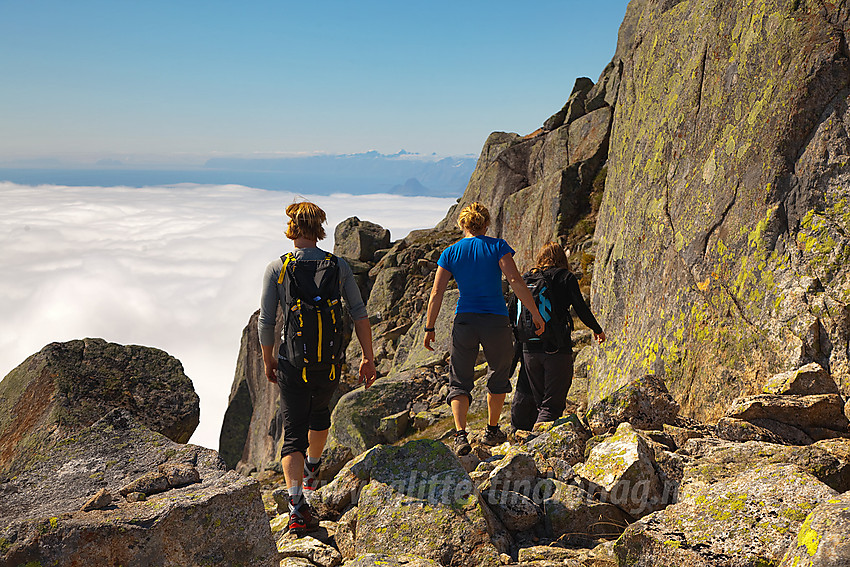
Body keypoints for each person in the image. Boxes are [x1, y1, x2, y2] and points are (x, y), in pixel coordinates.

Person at [259, 201, 376, 535]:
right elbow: (359, 313)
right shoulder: (337, 266)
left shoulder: (277, 268)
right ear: (320, 229)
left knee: (293, 432)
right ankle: (312, 471)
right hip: (328, 362)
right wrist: (368, 357)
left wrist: (268, 358)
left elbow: (267, 321)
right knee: (321, 413)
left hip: (292, 363)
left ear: (293, 229)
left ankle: (297, 507)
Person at [423, 202, 545, 456]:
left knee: (459, 379)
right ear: (486, 223)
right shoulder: (498, 247)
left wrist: (429, 326)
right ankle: (491, 430)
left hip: (465, 320)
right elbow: (514, 281)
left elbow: (436, 292)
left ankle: (460, 434)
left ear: (462, 224)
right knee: (498, 375)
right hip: (495, 320)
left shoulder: (450, 253)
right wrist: (534, 312)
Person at [511, 242, 605, 429]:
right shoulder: (565, 277)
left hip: (529, 350)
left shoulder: (527, 278)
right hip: (556, 348)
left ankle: (531, 444)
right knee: (552, 406)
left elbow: (513, 313)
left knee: (541, 405)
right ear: (563, 258)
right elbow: (580, 308)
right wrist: (597, 329)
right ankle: (541, 445)